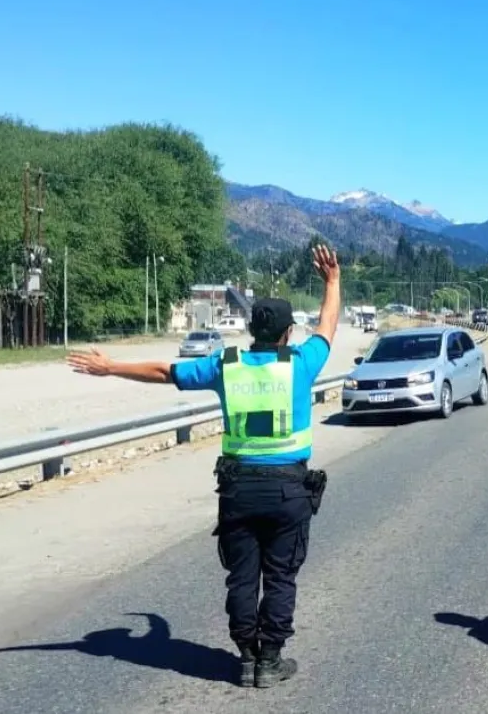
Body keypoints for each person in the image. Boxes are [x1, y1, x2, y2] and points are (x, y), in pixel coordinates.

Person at [66, 244, 341, 689]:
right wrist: (332, 281)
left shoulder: (225, 366)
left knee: (242, 576)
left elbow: (164, 372)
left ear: (251, 330)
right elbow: (328, 325)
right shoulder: (302, 363)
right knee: (281, 574)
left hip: (239, 490)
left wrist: (111, 366)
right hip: (289, 490)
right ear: (288, 334)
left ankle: (247, 656)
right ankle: (269, 660)